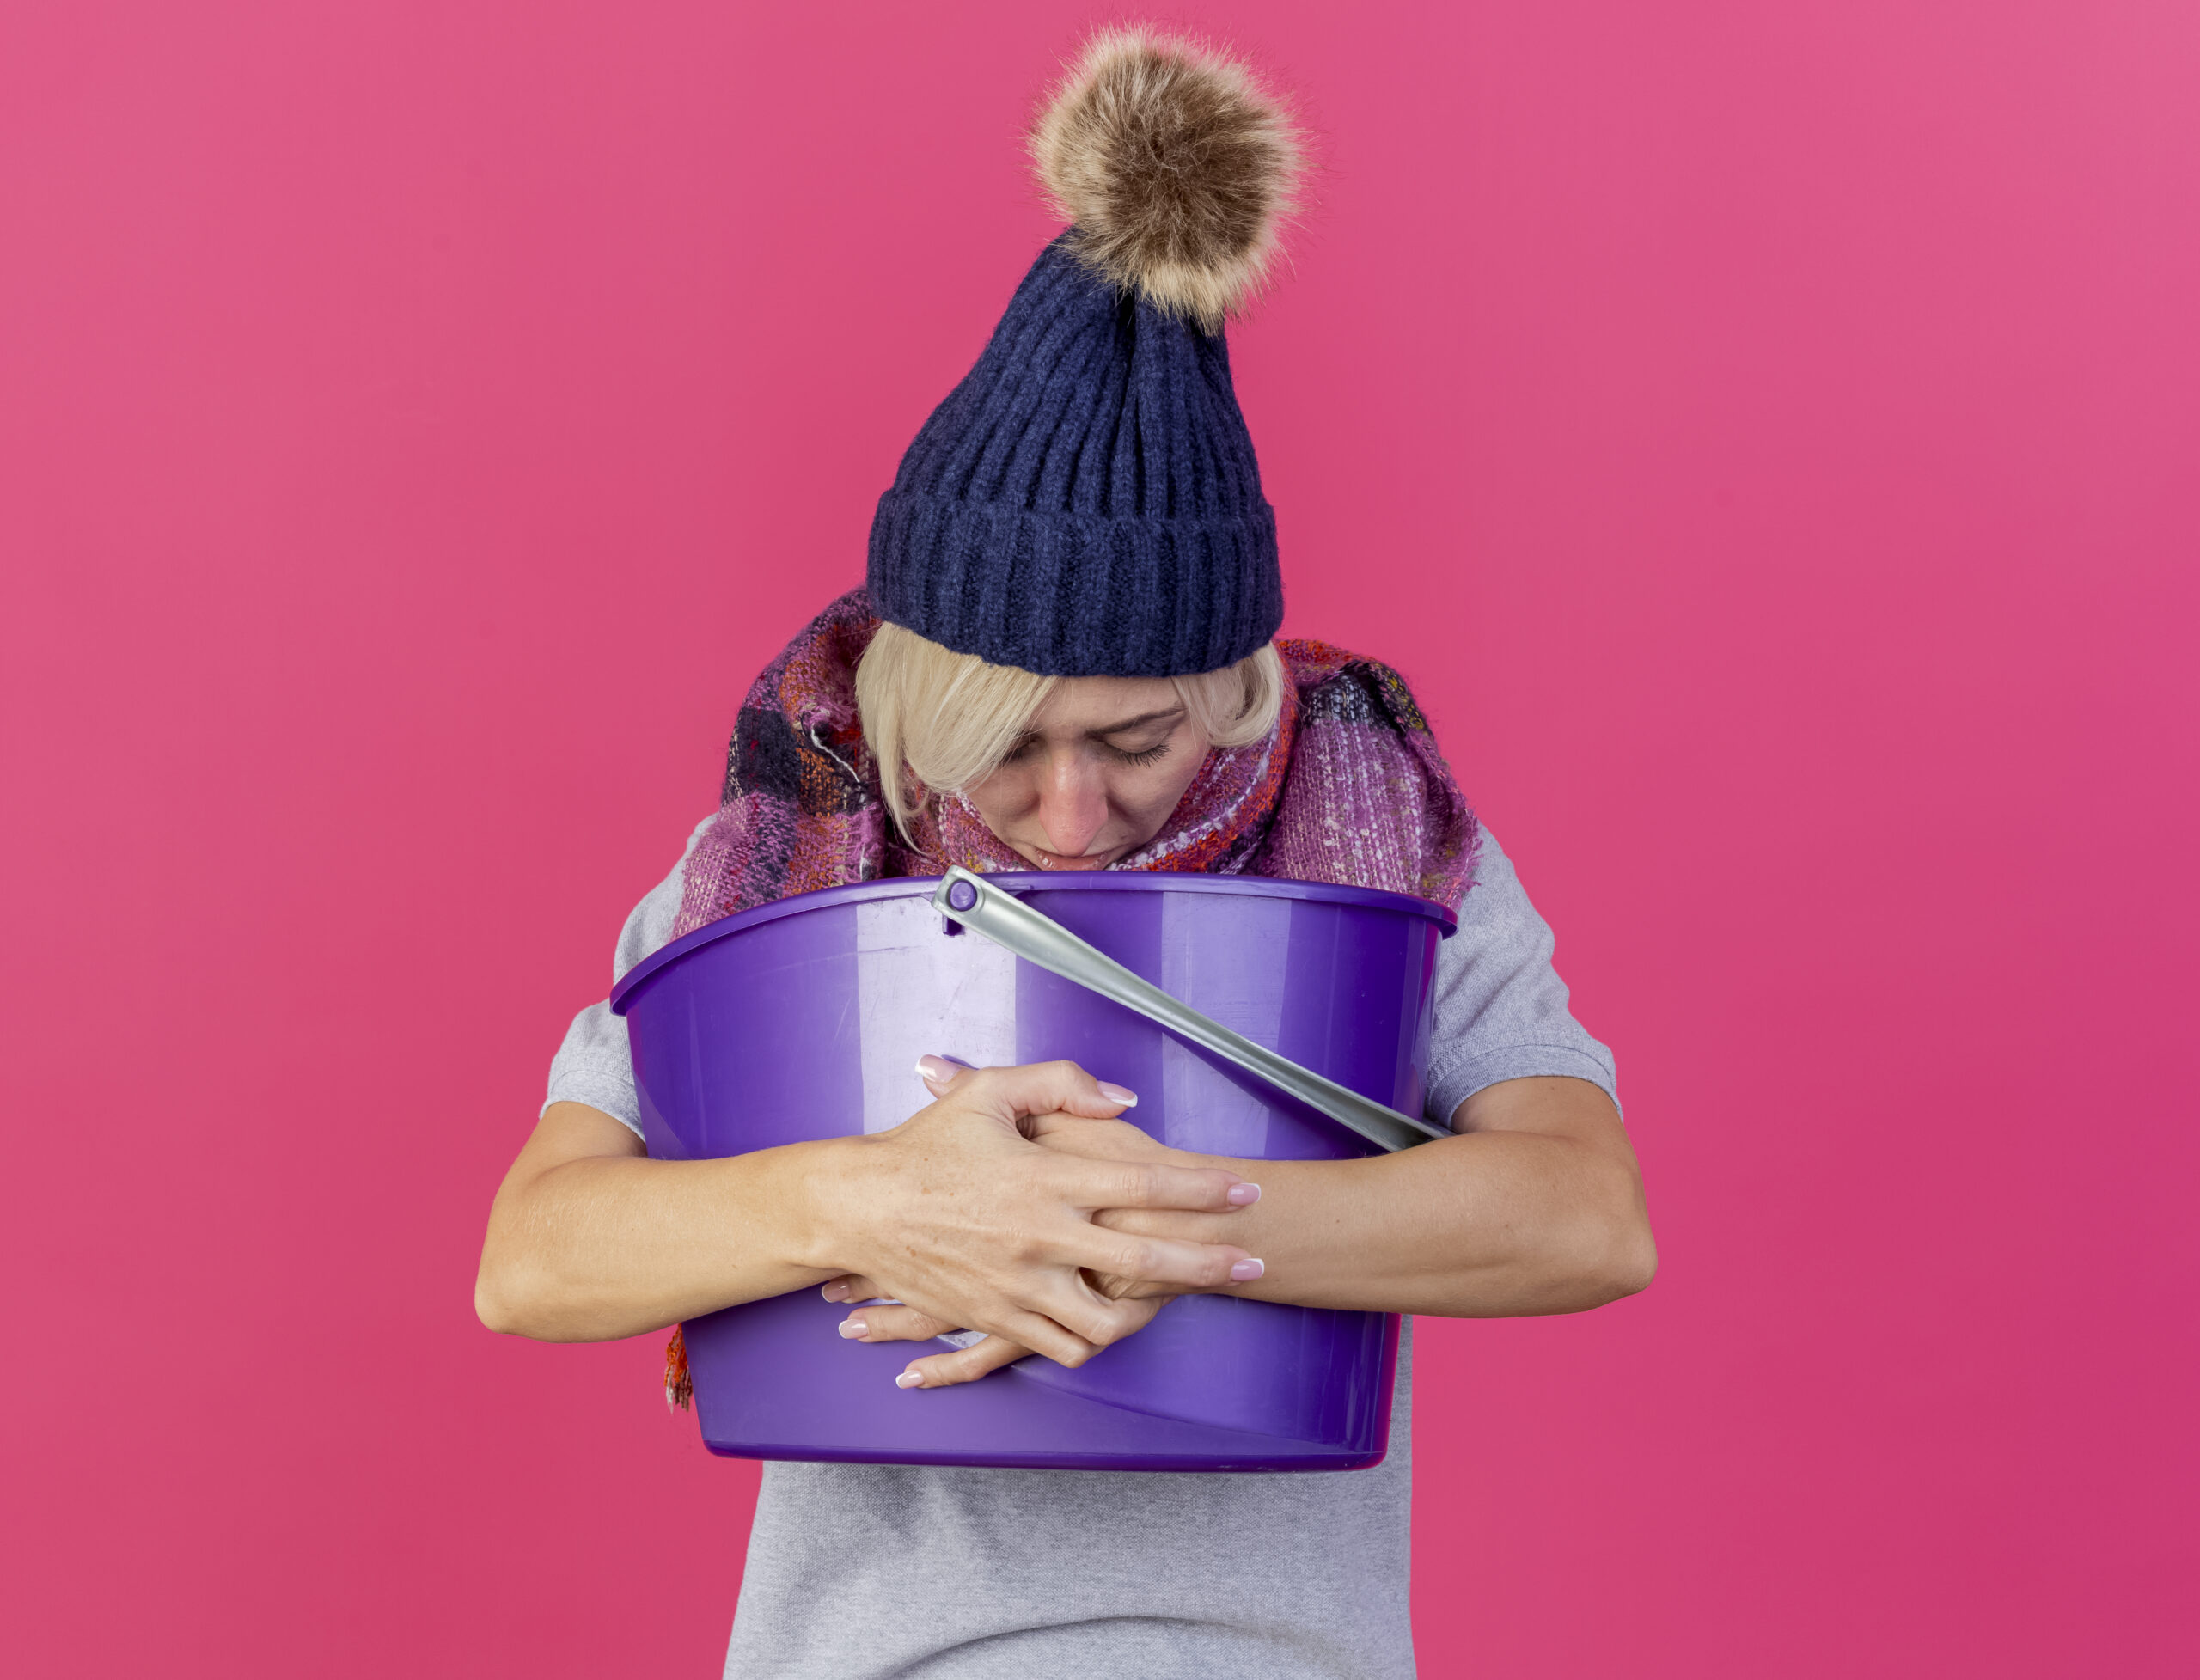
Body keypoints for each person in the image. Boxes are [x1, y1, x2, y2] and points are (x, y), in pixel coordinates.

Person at [475, 28, 1654, 1679]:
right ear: (910, 697)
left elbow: (1586, 1218)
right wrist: (879, 1206)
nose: (1072, 815)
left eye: (1137, 742)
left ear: (1235, 693)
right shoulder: (781, 853)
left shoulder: (1381, 843)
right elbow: (534, 1259)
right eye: (1003, 748)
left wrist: (1132, 1228)